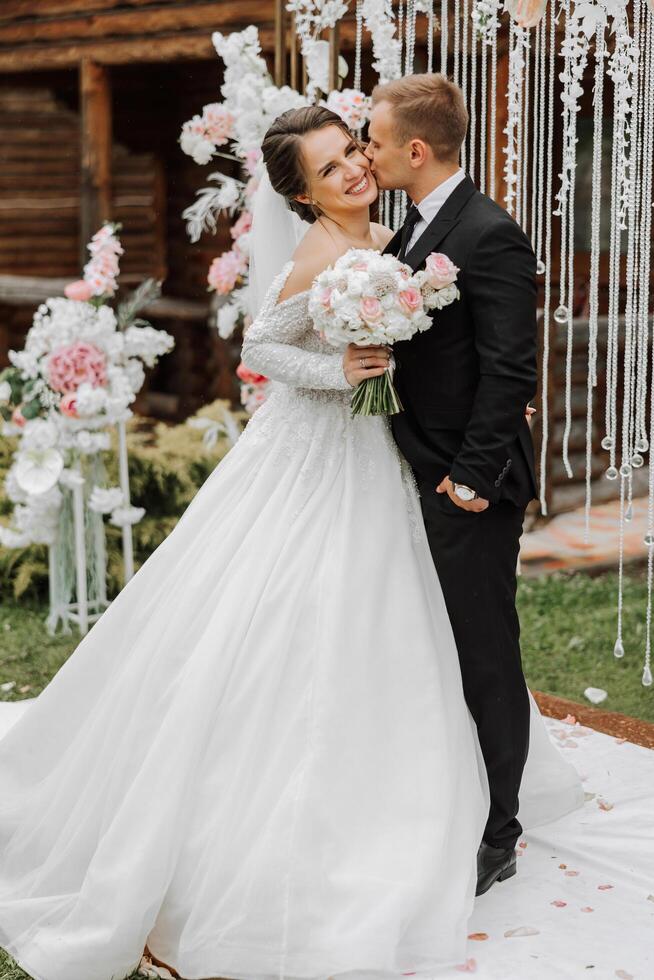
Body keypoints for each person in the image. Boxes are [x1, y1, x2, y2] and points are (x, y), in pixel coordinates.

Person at [0, 105, 582, 980]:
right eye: (330, 169)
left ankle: (449, 799)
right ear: (304, 197)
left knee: (396, 622)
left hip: (384, 459)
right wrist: (340, 372)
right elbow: (265, 343)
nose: (351, 170)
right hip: (320, 455)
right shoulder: (323, 251)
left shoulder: (396, 234)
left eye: (353, 152)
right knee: (290, 618)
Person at [364, 72, 548, 896]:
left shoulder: (490, 233)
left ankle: (499, 830)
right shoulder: (411, 230)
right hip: (415, 469)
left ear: (414, 147)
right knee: (430, 649)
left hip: (466, 486)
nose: (366, 151)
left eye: (372, 137)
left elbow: (513, 367)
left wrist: (473, 479)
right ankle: (444, 797)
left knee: (484, 652)